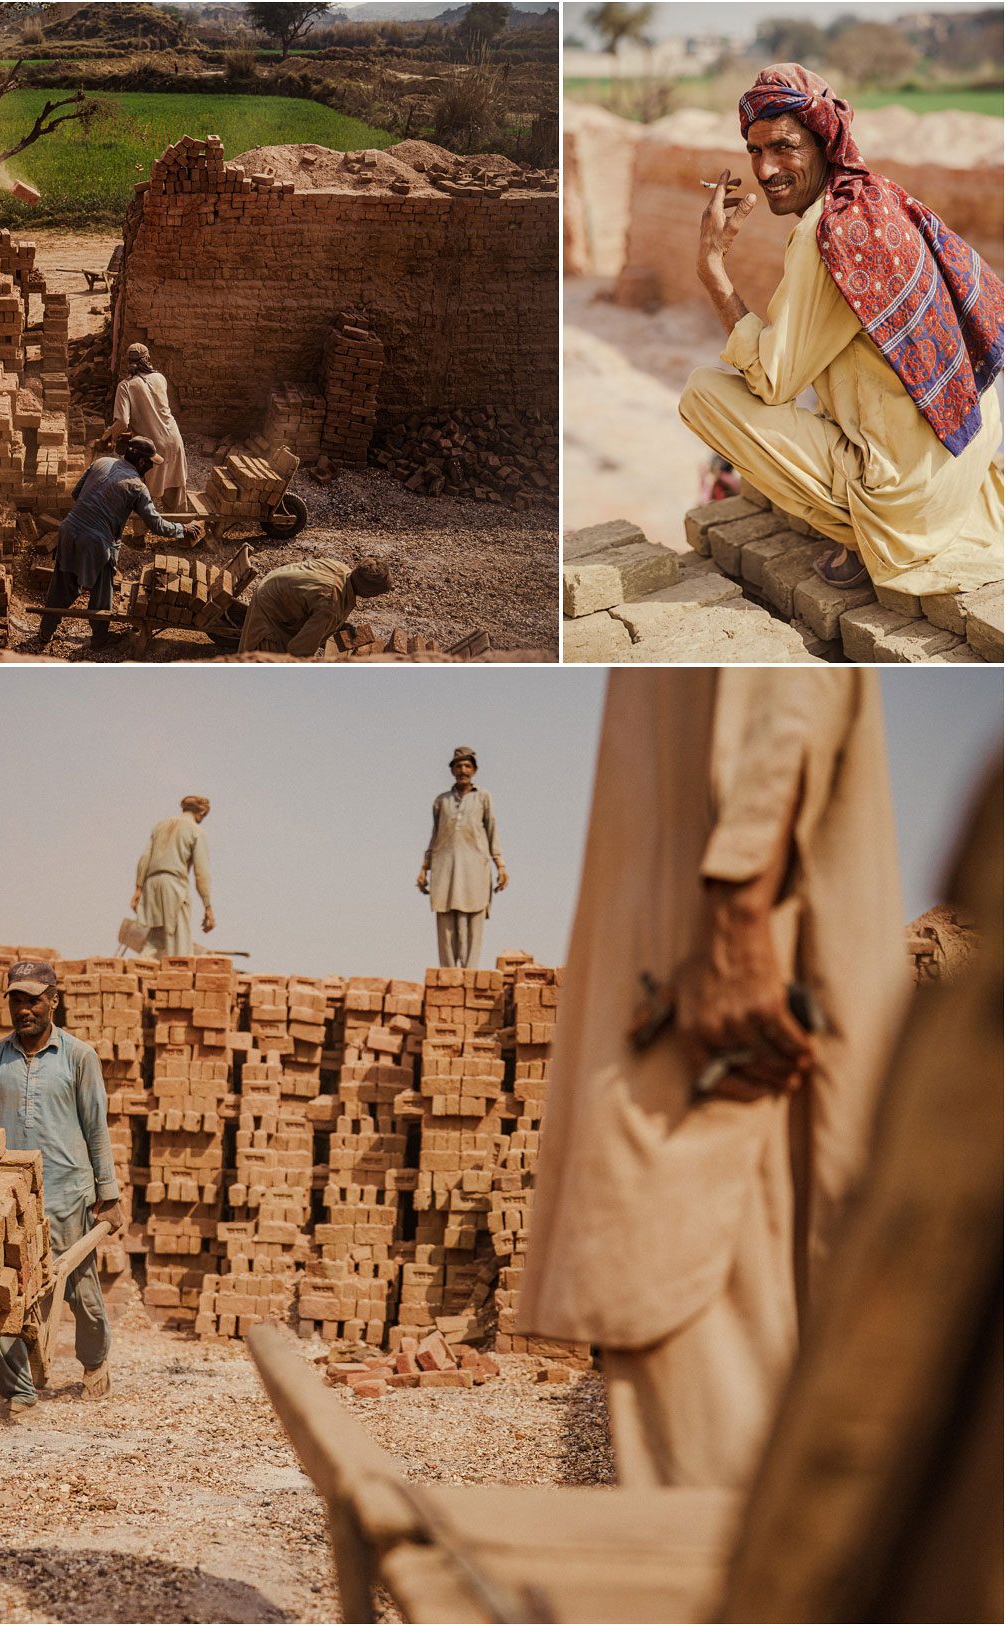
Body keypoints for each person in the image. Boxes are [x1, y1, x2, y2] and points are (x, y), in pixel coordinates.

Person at [518, 670, 911, 1490]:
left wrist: (736, 909)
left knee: (709, 1387)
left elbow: (785, 689)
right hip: (693, 963)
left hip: (710, 999)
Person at [680, 63, 1003, 597]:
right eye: (755, 152)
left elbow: (771, 382)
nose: (765, 169)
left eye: (784, 147)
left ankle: (865, 534)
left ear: (824, 142)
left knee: (703, 393)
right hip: (966, 457)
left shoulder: (825, 235)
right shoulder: (876, 196)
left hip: (915, 499)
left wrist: (711, 268)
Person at [0, 960, 124, 1405]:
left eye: (33, 999)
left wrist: (108, 1195)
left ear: (54, 1000)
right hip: (6, 1200)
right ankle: (18, 1390)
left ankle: (95, 1361)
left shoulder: (79, 1057)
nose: (24, 1009)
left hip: (67, 1198)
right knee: (2, 1296)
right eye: (16, 1000)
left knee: (82, 1296)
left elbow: (97, 1128)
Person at [39, 436, 202, 650]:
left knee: (61, 585)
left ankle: (45, 632)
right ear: (142, 462)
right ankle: (99, 639)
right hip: (97, 543)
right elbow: (156, 525)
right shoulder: (137, 486)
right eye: (151, 462)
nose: (152, 467)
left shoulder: (101, 462)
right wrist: (183, 529)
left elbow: (76, 493)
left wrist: (100, 505)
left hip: (69, 530)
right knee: (101, 590)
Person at [417, 747, 508, 970]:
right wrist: (424, 867)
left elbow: (492, 832)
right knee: (446, 919)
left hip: (475, 866)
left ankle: (470, 973)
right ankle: (447, 974)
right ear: (452, 771)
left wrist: (501, 866)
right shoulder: (441, 801)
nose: (463, 770)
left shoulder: (484, 798)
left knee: (473, 919)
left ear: (474, 771)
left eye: (467, 766)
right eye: (458, 766)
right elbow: (435, 835)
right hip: (445, 867)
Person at [237, 557, 392, 658]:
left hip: (274, 584)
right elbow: (298, 651)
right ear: (368, 592)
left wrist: (339, 625)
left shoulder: (341, 568)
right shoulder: (331, 607)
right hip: (269, 606)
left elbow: (316, 601)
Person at [105, 344, 189, 511]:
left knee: (145, 495)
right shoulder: (160, 378)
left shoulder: (125, 386)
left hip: (150, 448)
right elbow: (153, 413)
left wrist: (107, 437)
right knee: (175, 491)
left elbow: (122, 422)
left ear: (128, 362)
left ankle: (139, 536)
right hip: (174, 440)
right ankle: (183, 531)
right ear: (148, 359)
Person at [131, 797, 215, 958]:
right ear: (202, 811)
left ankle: (141, 969)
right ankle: (178, 977)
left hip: (151, 884)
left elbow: (145, 858)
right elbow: (201, 872)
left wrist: (139, 888)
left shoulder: (160, 826)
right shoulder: (196, 831)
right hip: (173, 884)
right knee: (180, 942)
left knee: (155, 939)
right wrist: (207, 906)